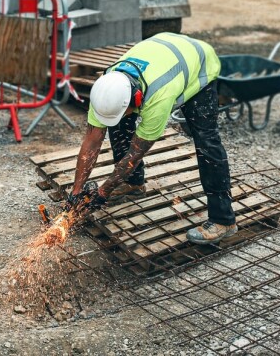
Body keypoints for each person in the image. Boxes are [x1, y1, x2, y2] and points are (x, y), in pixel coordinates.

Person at [68, 32, 236, 245]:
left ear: (137, 99)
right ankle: (133, 184)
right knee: (118, 123)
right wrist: (76, 191)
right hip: (164, 51)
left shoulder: (158, 97)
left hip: (199, 62)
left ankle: (224, 219)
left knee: (206, 141)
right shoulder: (107, 88)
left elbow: (135, 154)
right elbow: (92, 141)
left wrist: (103, 191)